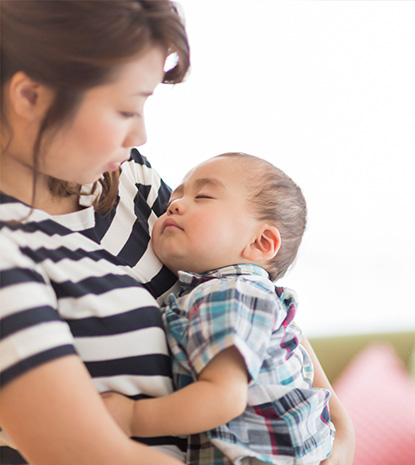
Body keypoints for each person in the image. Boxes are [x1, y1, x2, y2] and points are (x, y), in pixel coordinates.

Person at [0, 2, 354, 465]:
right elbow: (78, 449)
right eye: (126, 109)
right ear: (29, 96)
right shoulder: (11, 246)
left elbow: (248, 290)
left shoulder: (126, 180)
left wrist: (339, 436)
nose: (141, 135)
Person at [103, 153, 334, 465]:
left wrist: (132, 416)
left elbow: (223, 397)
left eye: (204, 196)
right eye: (177, 194)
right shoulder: (241, 293)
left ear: (261, 243)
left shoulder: (229, 293)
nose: (175, 204)